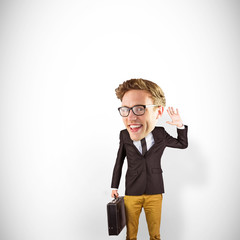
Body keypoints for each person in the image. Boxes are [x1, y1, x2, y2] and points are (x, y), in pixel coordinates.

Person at [110, 78, 188, 240]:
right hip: (132, 191)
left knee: (155, 234)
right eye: (125, 109)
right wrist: (114, 186)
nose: (130, 118)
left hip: (154, 190)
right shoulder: (124, 135)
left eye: (139, 109)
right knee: (131, 234)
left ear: (158, 112)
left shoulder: (160, 134)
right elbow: (119, 162)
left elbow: (182, 144)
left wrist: (180, 126)